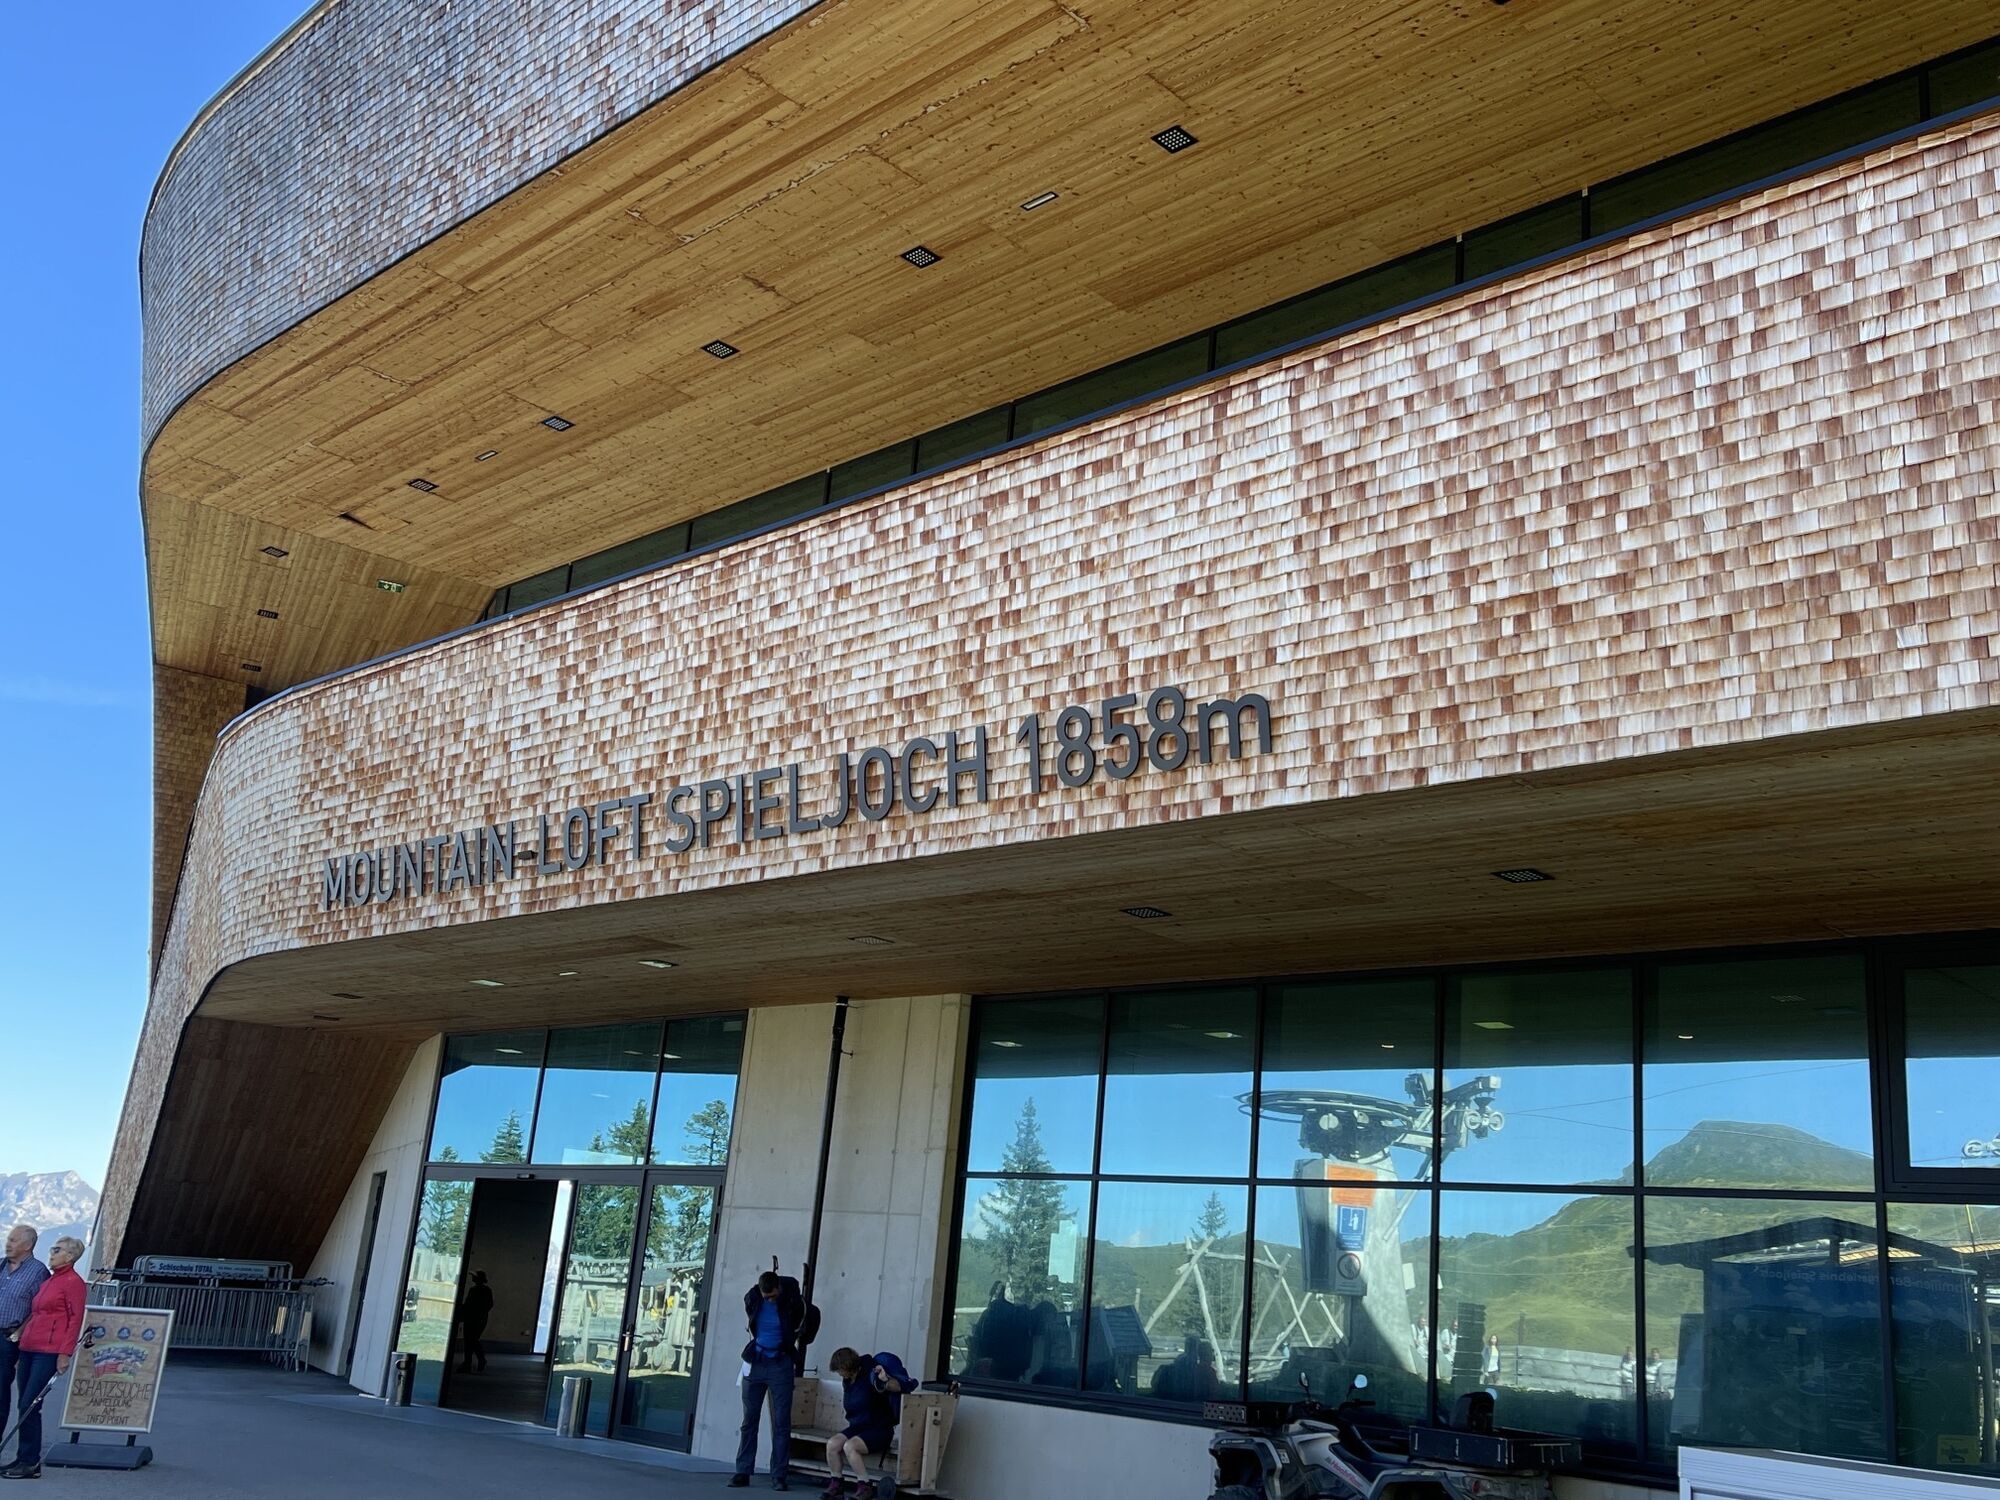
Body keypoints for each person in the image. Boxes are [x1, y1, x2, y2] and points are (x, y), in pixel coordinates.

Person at [3, 1235, 86, 1481]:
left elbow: (75, 1320)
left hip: (48, 1351)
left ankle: (30, 1461)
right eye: (52, 1248)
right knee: (24, 1403)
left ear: (70, 1256)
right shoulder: (50, 1280)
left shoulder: (73, 1282)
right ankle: (23, 1457)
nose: (51, 1252)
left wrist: (64, 1353)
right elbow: (35, 1313)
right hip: (30, 1346)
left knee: (30, 1403)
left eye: (57, 1249)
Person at [732, 1269, 805, 1491]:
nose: (770, 1300)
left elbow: (801, 1317)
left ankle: (779, 1475)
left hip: (780, 1363)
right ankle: (743, 1471)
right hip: (756, 1361)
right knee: (749, 1419)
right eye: (767, 1297)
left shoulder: (790, 1301)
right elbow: (751, 1311)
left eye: (773, 1296)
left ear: (779, 1288)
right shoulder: (753, 1299)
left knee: (781, 1422)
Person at [821, 1348, 907, 1500]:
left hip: (880, 1428)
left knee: (850, 1446)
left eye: (840, 1370)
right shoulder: (848, 1379)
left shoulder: (871, 1373)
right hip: (858, 1426)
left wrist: (884, 1380)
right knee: (832, 1444)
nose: (839, 1374)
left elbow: (898, 1386)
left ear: (848, 1367)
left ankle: (864, 1486)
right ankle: (836, 1484)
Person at [0, 1228, 49, 1463]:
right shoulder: (1, 1265)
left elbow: (39, 1308)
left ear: (27, 1245)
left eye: (13, 1240)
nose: (8, 1243)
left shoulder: (38, 1272)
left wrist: (20, 1333)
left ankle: (23, 1457)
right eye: (8, 1239)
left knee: (2, 1393)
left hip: (9, 1338)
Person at [455, 1271, 493, 1373]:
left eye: (474, 1276)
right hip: (477, 1318)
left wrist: (465, 1314)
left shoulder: (477, 1290)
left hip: (474, 1319)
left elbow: (469, 1304)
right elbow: (489, 1304)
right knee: (471, 1340)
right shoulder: (483, 1290)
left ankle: (472, 1362)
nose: (472, 1278)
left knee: (471, 1340)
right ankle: (472, 1361)